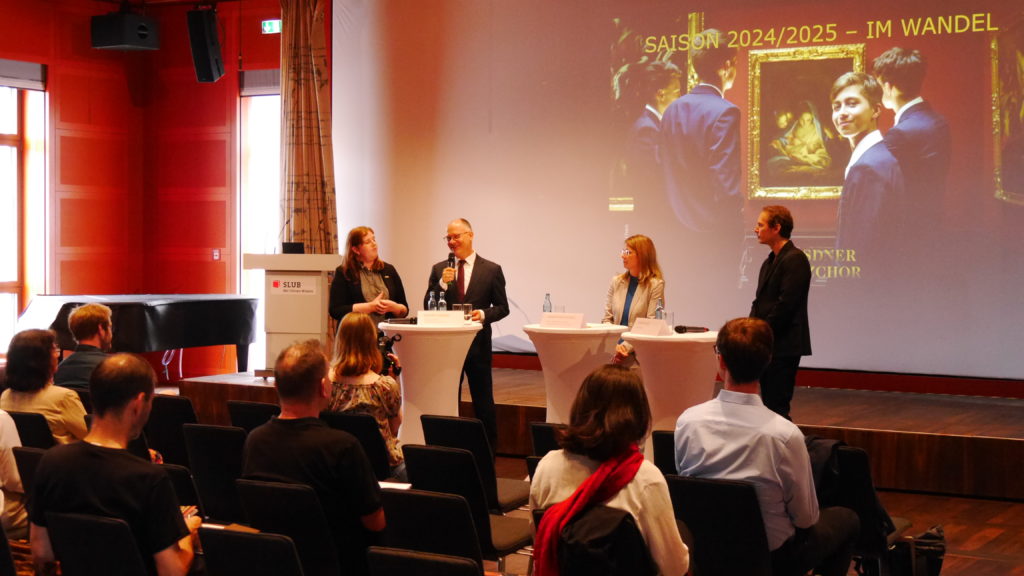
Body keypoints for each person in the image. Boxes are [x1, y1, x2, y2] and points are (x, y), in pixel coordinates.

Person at [674, 318, 859, 576]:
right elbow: (805, 518)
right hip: (772, 560)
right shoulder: (784, 435)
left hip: (706, 551)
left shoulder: (688, 422)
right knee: (847, 519)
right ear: (768, 362)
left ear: (721, 362)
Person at [29, 354, 201, 576]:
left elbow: (41, 554)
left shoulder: (51, 462)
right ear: (138, 404)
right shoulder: (150, 478)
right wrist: (187, 535)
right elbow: (171, 571)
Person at [531, 364, 689, 576]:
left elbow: (538, 536)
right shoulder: (645, 478)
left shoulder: (548, 466)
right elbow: (674, 568)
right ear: (638, 415)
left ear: (580, 407)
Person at [242, 340, 384, 576]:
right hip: (341, 565)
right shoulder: (342, 446)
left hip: (276, 564)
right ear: (324, 388)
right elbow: (375, 523)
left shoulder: (254, 441)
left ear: (277, 386)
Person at [659, 30, 746, 321]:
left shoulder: (672, 110)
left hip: (674, 231)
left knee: (681, 314)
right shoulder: (725, 111)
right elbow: (725, 182)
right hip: (714, 235)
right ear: (725, 65)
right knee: (716, 315)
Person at [423, 218, 509, 449]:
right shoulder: (439, 269)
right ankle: (449, 449)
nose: (451, 241)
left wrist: (482, 314)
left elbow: (502, 308)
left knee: (483, 402)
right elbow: (426, 304)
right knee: (448, 400)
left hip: (478, 346)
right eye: (448, 238)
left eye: (456, 236)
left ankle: (488, 452)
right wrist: (441, 284)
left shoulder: (491, 270)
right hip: (447, 347)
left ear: (470, 235)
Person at [831, 71, 906, 272]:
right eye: (836, 106)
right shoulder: (875, 157)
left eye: (852, 103)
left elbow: (861, 251)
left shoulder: (869, 167)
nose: (842, 113)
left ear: (875, 110)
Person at [872, 48, 951, 224]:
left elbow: (884, 191)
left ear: (888, 87)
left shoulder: (900, 133)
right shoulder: (938, 121)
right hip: (934, 222)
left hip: (907, 228)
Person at [327, 312, 406, 481]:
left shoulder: (325, 383)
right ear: (371, 342)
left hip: (337, 467)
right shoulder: (383, 386)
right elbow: (394, 428)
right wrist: (394, 379)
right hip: (381, 469)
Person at [749, 206, 811, 420]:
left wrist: (761, 332)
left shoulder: (795, 259)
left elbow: (786, 305)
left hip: (784, 345)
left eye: (760, 225)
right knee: (766, 404)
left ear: (776, 227)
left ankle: (782, 451)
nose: (756, 229)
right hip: (768, 344)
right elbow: (760, 302)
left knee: (777, 406)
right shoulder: (769, 261)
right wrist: (749, 331)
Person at [616, 60, 682, 210]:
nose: (680, 96)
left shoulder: (653, 126)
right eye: (677, 92)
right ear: (661, 94)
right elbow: (650, 182)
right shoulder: (646, 130)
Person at [1, 330, 88, 444]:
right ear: (41, 360)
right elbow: (91, 437)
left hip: (20, 461)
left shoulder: (5, 396)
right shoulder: (63, 397)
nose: (58, 354)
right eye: (54, 349)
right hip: (62, 461)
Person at [601, 234, 665, 364]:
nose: (623, 255)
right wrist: (613, 345)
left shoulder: (655, 284)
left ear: (642, 255)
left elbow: (651, 325)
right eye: (623, 251)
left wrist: (624, 347)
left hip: (637, 356)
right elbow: (607, 319)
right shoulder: (616, 281)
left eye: (628, 252)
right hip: (612, 352)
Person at [329, 226, 409, 323]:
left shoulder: (389, 270)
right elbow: (335, 310)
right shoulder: (344, 272)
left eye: (374, 239)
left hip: (387, 335)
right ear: (356, 250)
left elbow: (404, 310)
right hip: (357, 333)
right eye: (367, 242)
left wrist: (394, 307)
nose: (374, 244)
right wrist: (369, 307)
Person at [53, 303, 113, 391]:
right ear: (101, 329)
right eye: (109, 327)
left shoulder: (59, 369)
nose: (111, 334)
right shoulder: (114, 368)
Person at [0, 409, 27, 539]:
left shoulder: (6, 396)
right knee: (46, 511)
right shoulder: (2, 418)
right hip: (4, 508)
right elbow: (13, 481)